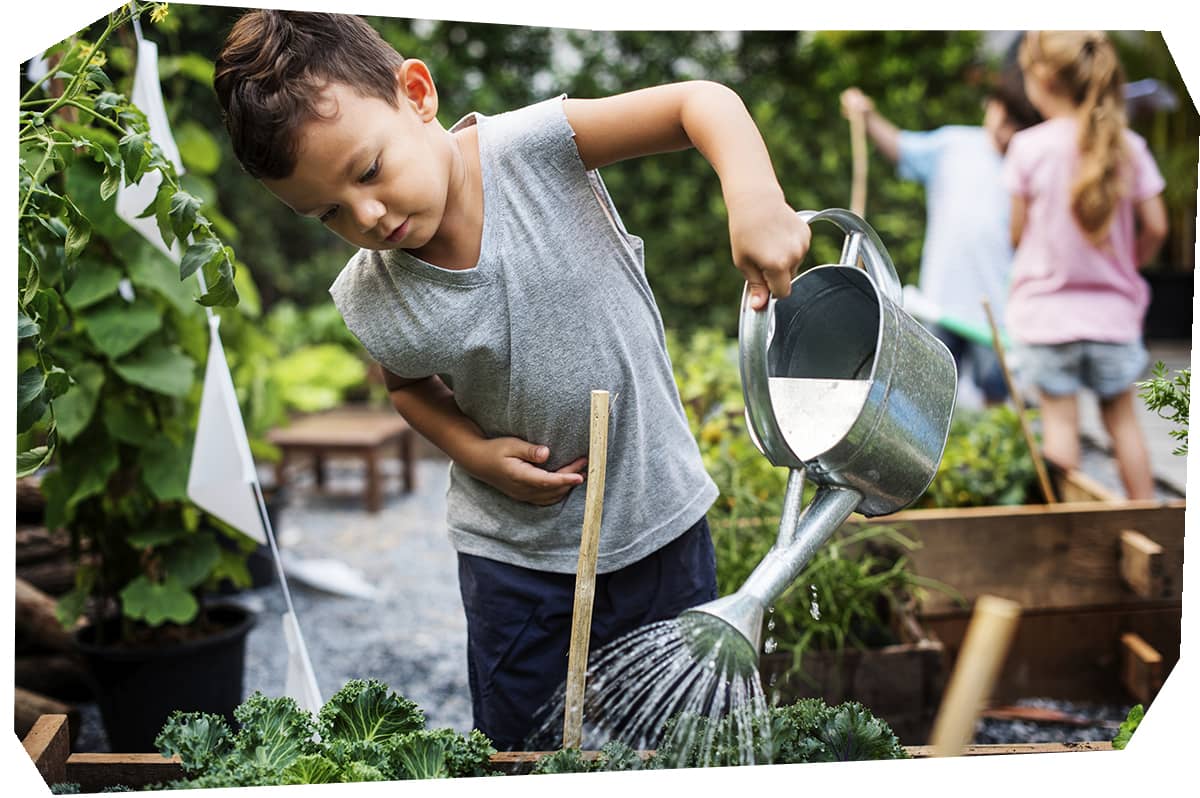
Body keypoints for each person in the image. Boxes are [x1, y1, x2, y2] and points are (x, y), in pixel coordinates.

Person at [212, 11, 811, 748]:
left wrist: (754, 198)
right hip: (513, 560)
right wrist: (472, 450)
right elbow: (408, 389)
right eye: (328, 213)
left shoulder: (536, 149)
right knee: (519, 746)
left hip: (659, 521)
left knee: (681, 742)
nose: (367, 215)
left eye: (368, 170)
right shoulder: (372, 295)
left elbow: (702, 104)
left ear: (418, 93)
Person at [1005, 30, 1168, 500]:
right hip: (1113, 319)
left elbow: (1016, 235)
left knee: (1060, 429)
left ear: (1043, 77)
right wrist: (1128, 266)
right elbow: (1156, 225)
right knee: (1123, 423)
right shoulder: (1128, 146)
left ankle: (1065, 533)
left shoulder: (1028, 147)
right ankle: (1146, 521)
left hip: (1046, 318)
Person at [840, 66, 1042, 407]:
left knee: (998, 393)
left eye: (1017, 124)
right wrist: (868, 116)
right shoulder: (954, 144)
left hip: (996, 309)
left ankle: (992, 454)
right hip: (941, 300)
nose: (1007, 131)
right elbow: (902, 147)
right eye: (1004, 117)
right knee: (927, 397)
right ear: (991, 106)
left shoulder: (1029, 162)